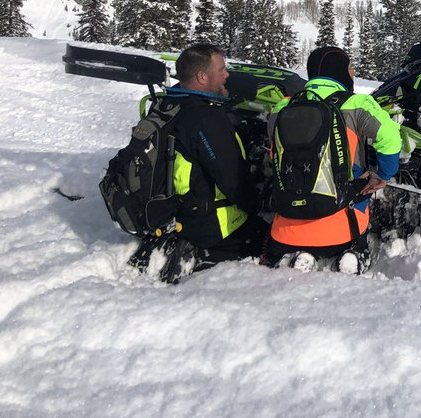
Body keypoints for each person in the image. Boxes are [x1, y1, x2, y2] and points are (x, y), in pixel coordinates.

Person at [264, 46, 402, 274]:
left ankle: (298, 256)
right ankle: (353, 256)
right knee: (355, 223)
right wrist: (382, 175)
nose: (354, 73)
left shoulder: (282, 108)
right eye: (350, 68)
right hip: (342, 228)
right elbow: (391, 138)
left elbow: (274, 155)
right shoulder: (357, 104)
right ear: (339, 71)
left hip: (286, 230)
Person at [159, 42, 267, 278]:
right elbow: (233, 180)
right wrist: (257, 206)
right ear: (202, 77)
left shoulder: (166, 105)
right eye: (222, 69)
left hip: (171, 212)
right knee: (269, 238)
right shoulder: (206, 118)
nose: (227, 75)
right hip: (209, 227)